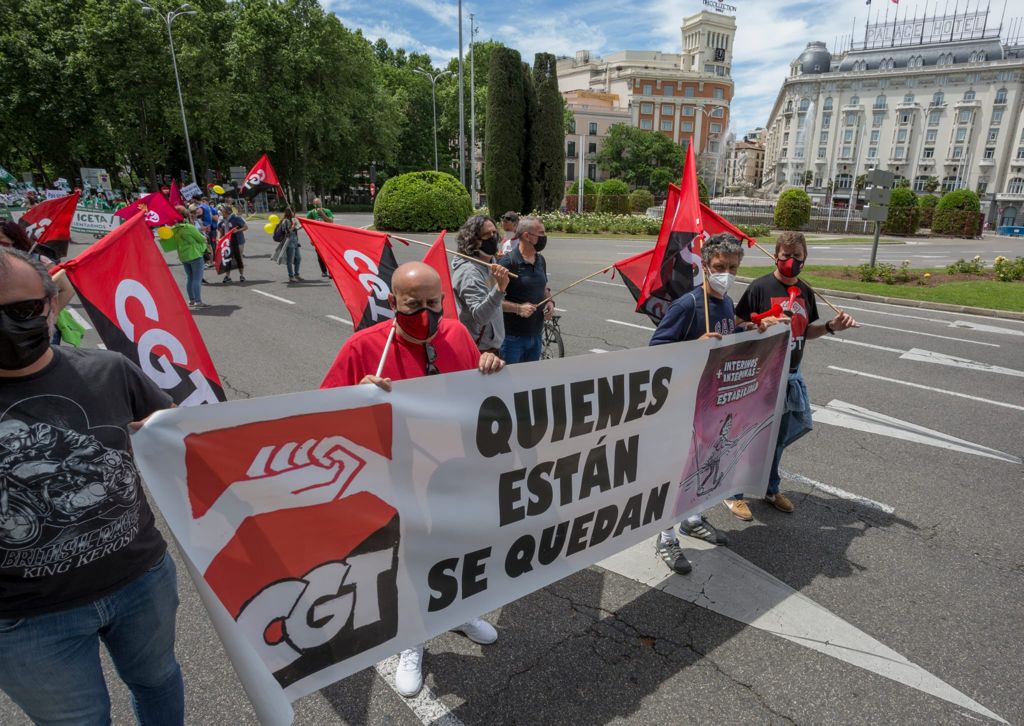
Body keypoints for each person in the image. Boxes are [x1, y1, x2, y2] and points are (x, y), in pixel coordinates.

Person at [0, 248, 184, 725]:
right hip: (25, 620)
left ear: (51, 304)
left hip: (141, 582)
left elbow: (186, 435)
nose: (8, 327)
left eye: (20, 311)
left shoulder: (109, 371)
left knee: (159, 682)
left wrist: (369, 400)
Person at [321, 262, 504, 698]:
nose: (424, 312)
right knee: (410, 560)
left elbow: (478, 391)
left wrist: (491, 363)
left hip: (456, 472)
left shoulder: (457, 334)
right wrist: (356, 395)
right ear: (391, 303)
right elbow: (321, 411)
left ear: (444, 300)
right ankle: (411, 640)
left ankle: (454, 612)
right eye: (412, 304)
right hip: (396, 479)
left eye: (432, 303)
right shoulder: (363, 348)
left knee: (456, 551)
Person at [648, 234, 785, 574]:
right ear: (705, 267)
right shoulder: (688, 305)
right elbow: (655, 351)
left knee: (704, 468)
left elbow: (729, 338)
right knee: (677, 473)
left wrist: (753, 328)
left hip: (711, 407)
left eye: (733, 267)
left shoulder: (724, 303)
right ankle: (665, 537)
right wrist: (695, 344)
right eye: (720, 267)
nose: (726, 273)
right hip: (682, 406)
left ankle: (692, 519)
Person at [729, 231, 859, 520]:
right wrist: (762, 322)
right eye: (786, 255)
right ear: (776, 255)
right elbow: (737, 324)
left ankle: (770, 488)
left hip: (790, 375)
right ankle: (733, 494)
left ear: (805, 259)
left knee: (777, 438)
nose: (790, 261)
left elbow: (807, 330)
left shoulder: (805, 291)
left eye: (796, 256)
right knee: (749, 436)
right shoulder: (760, 287)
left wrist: (831, 326)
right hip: (759, 374)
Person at [498, 216, 553, 364]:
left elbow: (543, 287)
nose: (544, 237)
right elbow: (494, 302)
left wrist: (549, 301)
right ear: (527, 236)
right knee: (511, 385)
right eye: (541, 233)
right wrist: (518, 308)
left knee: (530, 383)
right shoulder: (508, 262)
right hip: (512, 339)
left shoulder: (541, 260)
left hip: (535, 336)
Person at [452, 215, 510, 354]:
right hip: (478, 350)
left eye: (494, 233)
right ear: (474, 240)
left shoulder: (491, 262)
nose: (492, 237)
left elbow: (494, 304)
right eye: (486, 235)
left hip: (493, 346)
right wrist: (499, 288)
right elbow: (481, 316)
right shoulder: (469, 273)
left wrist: (519, 309)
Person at [168, 205, 209, 307]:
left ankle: (191, 300)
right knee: (197, 279)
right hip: (195, 255)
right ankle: (198, 301)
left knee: (190, 278)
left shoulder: (173, 229)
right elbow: (202, 239)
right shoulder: (189, 227)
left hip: (183, 256)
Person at [305, 198, 334, 277]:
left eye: (319, 203)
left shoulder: (327, 211)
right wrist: (311, 238)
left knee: (329, 255)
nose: (318, 205)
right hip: (317, 237)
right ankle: (324, 271)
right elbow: (308, 226)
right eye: (316, 204)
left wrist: (322, 214)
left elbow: (331, 222)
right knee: (320, 255)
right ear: (314, 205)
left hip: (327, 237)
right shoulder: (311, 213)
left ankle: (331, 272)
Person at [222, 204, 248, 283]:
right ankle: (227, 276)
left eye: (222, 211)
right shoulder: (224, 219)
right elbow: (221, 229)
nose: (221, 212)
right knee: (227, 258)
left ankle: (242, 275)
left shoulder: (236, 218)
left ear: (227, 212)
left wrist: (237, 230)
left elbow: (246, 227)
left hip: (238, 241)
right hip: (227, 241)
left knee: (239, 258)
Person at [278, 208, 302, 282]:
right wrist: (293, 225)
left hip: (295, 241)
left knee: (298, 258)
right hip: (289, 241)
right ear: (289, 212)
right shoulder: (285, 221)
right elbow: (287, 232)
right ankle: (291, 276)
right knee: (290, 260)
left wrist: (299, 223)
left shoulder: (292, 220)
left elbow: (298, 228)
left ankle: (297, 274)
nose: (294, 213)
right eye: (293, 212)